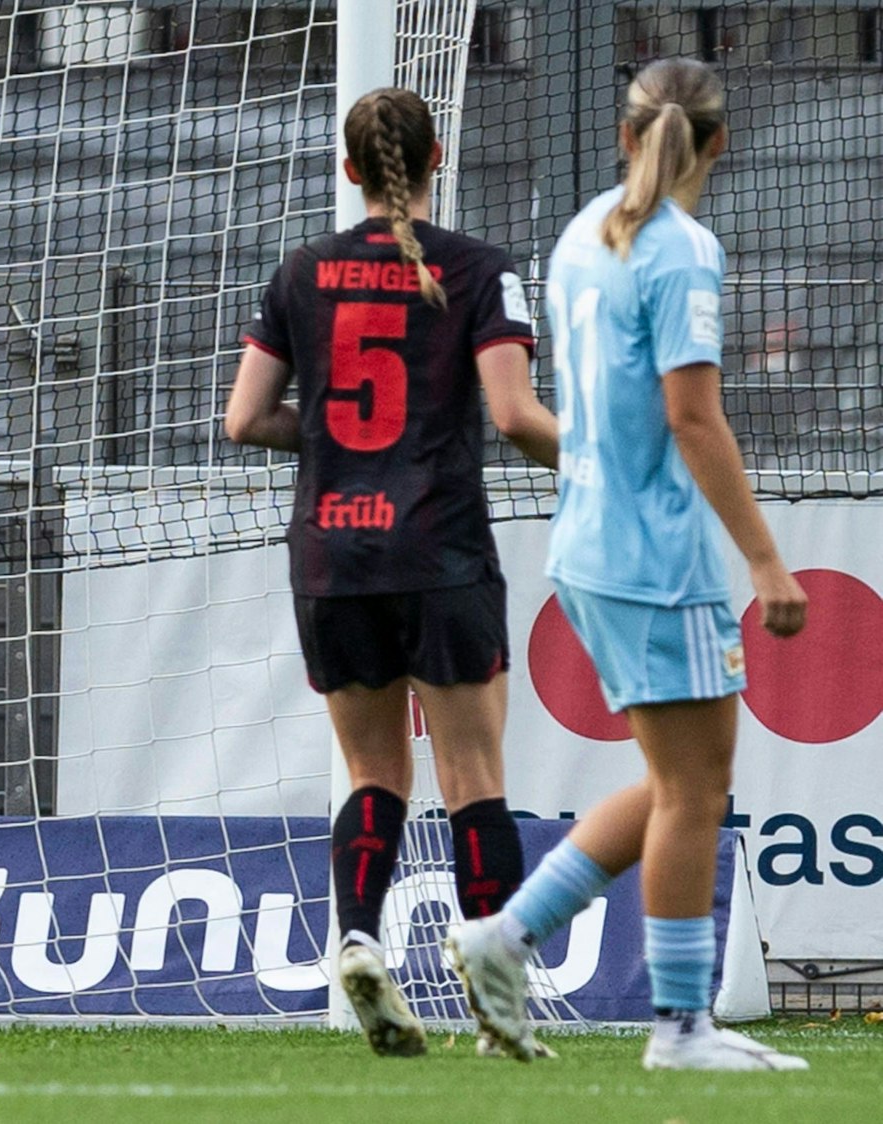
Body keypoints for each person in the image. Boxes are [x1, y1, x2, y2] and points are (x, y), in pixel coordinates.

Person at [445, 58, 809, 1072]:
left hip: (589, 541)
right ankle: (680, 1026)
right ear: (720, 144)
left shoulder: (580, 233)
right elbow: (692, 416)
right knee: (698, 788)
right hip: (655, 554)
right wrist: (768, 563)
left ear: (623, 133)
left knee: (672, 778)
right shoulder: (682, 248)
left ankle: (502, 936)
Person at [225, 87, 560, 1059]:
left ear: (348, 170)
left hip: (332, 548)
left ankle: (362, 939)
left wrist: (332, 444)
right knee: (472, 774)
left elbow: (243, 419)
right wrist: (613, 464)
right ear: (436, 158)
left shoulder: (302, 272)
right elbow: (514, 416)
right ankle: (496, 992)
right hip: (440, 545)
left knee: (372, 771)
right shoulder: (477, 270)